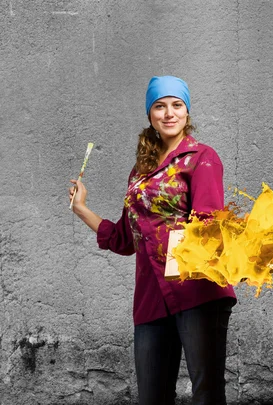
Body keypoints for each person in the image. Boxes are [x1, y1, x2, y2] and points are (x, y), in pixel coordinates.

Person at [69, 76, 237, 405]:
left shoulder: (202, 158)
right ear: (150, 115)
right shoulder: (140, 173)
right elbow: (123, 239)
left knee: (207, 395)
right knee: (152, 398)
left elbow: (207, 222)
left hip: (197, 291)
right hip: (151, 298)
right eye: (159, 106)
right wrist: (81, 209)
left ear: (187, 113)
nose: (169, 113)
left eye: (177, 105)